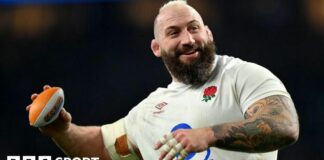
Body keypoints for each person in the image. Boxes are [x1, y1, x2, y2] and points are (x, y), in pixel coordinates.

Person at [26, 0, 299, 160]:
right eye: (174, 32)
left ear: (209, 34)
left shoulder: (241, 75)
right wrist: (61, 130)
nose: (188, 39)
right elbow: (101, 146)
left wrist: (208, 135)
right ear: (157, 48)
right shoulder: (149, 111)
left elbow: (284, 126)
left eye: (194, 28)